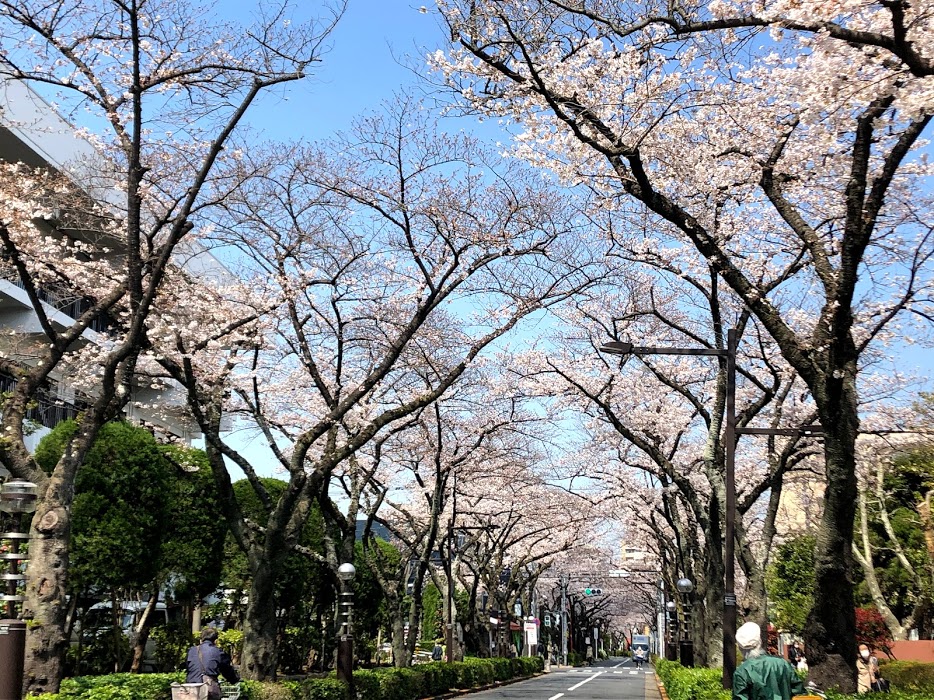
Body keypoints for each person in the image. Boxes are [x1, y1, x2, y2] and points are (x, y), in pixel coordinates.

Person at [732, 622, 806, 700]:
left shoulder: (742, 672)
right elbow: (799, 693)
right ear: (760, 641)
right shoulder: (782, 664)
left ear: (740, 647)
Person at [186, 627, 239, 700]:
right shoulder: (218, 652)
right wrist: (234, 679)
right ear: (216, 641)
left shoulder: (191, 651)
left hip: (191, 689)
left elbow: (188, 668)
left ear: (201, 640)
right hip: (208, 690)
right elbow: (227, 670)